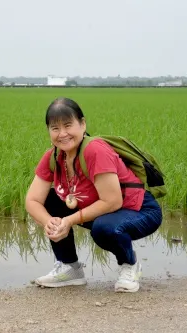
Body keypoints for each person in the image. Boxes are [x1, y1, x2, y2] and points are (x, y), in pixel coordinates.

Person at [25, 97, 163, 292]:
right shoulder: (54, 157)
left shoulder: (95, 150)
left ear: (82, 124)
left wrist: (69, 221)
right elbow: (32, 200)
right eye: (55, 128)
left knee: (104, 228)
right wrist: (51, 223)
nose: (62, 134)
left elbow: (112, 201)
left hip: (139, 210)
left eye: (68, 125)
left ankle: (130, 265)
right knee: (51, 199)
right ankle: (69, 268)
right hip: (102, 209)